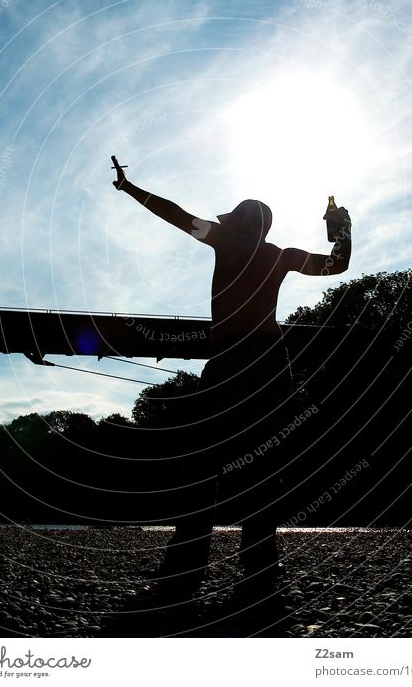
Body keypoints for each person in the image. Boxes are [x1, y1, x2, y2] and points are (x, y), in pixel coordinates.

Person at [111, 157, 351, 598]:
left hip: (230, 358)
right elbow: (337, 265)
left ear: (245, 223)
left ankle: (186, 565)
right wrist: (341, 229)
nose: (229, 221)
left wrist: (130, 188)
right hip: (269, 360)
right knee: (263, 460)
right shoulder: (282, 255)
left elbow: (174, 214)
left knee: (204, 458)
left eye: (236, 217)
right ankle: (259, 565)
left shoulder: (224, 240)